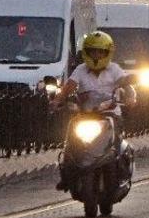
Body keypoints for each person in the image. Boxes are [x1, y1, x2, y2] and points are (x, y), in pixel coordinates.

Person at [53, 31, 131, 190]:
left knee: (116, 144)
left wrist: (130, 97)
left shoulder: (115, 69)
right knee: (71, 141)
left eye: (100, 51)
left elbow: (125, 84)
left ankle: (121, 170)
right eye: (93, 51)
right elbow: (69, 87)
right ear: (87, 52)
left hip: (110, 115)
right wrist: (57, 100)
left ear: (107, 53)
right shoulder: (80, 70)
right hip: (86, 115)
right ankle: (67, 174)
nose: (97, 55)